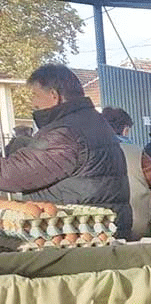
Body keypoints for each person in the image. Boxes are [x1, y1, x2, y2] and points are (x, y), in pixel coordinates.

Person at [0, 64, 132, 239]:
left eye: (36, 95)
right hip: (102, 228)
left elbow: (9, 174)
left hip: (78, 234)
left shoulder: (65, 133)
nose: (33, 103)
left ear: (54, 96)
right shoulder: (93, 121)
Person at [102, 107, 151, 239]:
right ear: (125, 130)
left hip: (98, 225)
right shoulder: (133, 151)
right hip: (132, 224)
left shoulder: (89, 151)